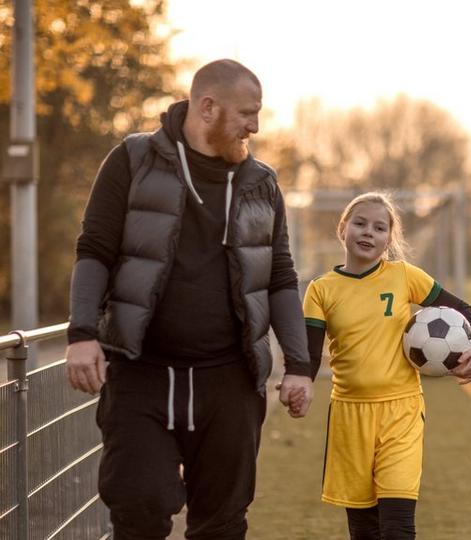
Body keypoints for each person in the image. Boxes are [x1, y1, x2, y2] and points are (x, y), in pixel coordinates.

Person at [65, 59, 316, 540]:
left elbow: (281, 277)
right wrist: (81, 335)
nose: (255, 126)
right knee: (139, 509)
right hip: (142, 375)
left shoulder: (261, 182)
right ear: (208, 107)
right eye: (247, 112)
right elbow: (94, 249)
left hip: (229, 382)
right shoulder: (133, 160)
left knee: (221, 524)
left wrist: (299, 366)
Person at [300, 191, 471, 540]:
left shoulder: (404, 276)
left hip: (401, 412)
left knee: (398, 525)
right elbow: (310, 355)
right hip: (350, 415)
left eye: (379, 227)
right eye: (360, 223)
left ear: (389, 239)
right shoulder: (320, 290)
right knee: (364, 530)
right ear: (343, 228)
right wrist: (303, 385)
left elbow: (464, 311)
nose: (368, 232)